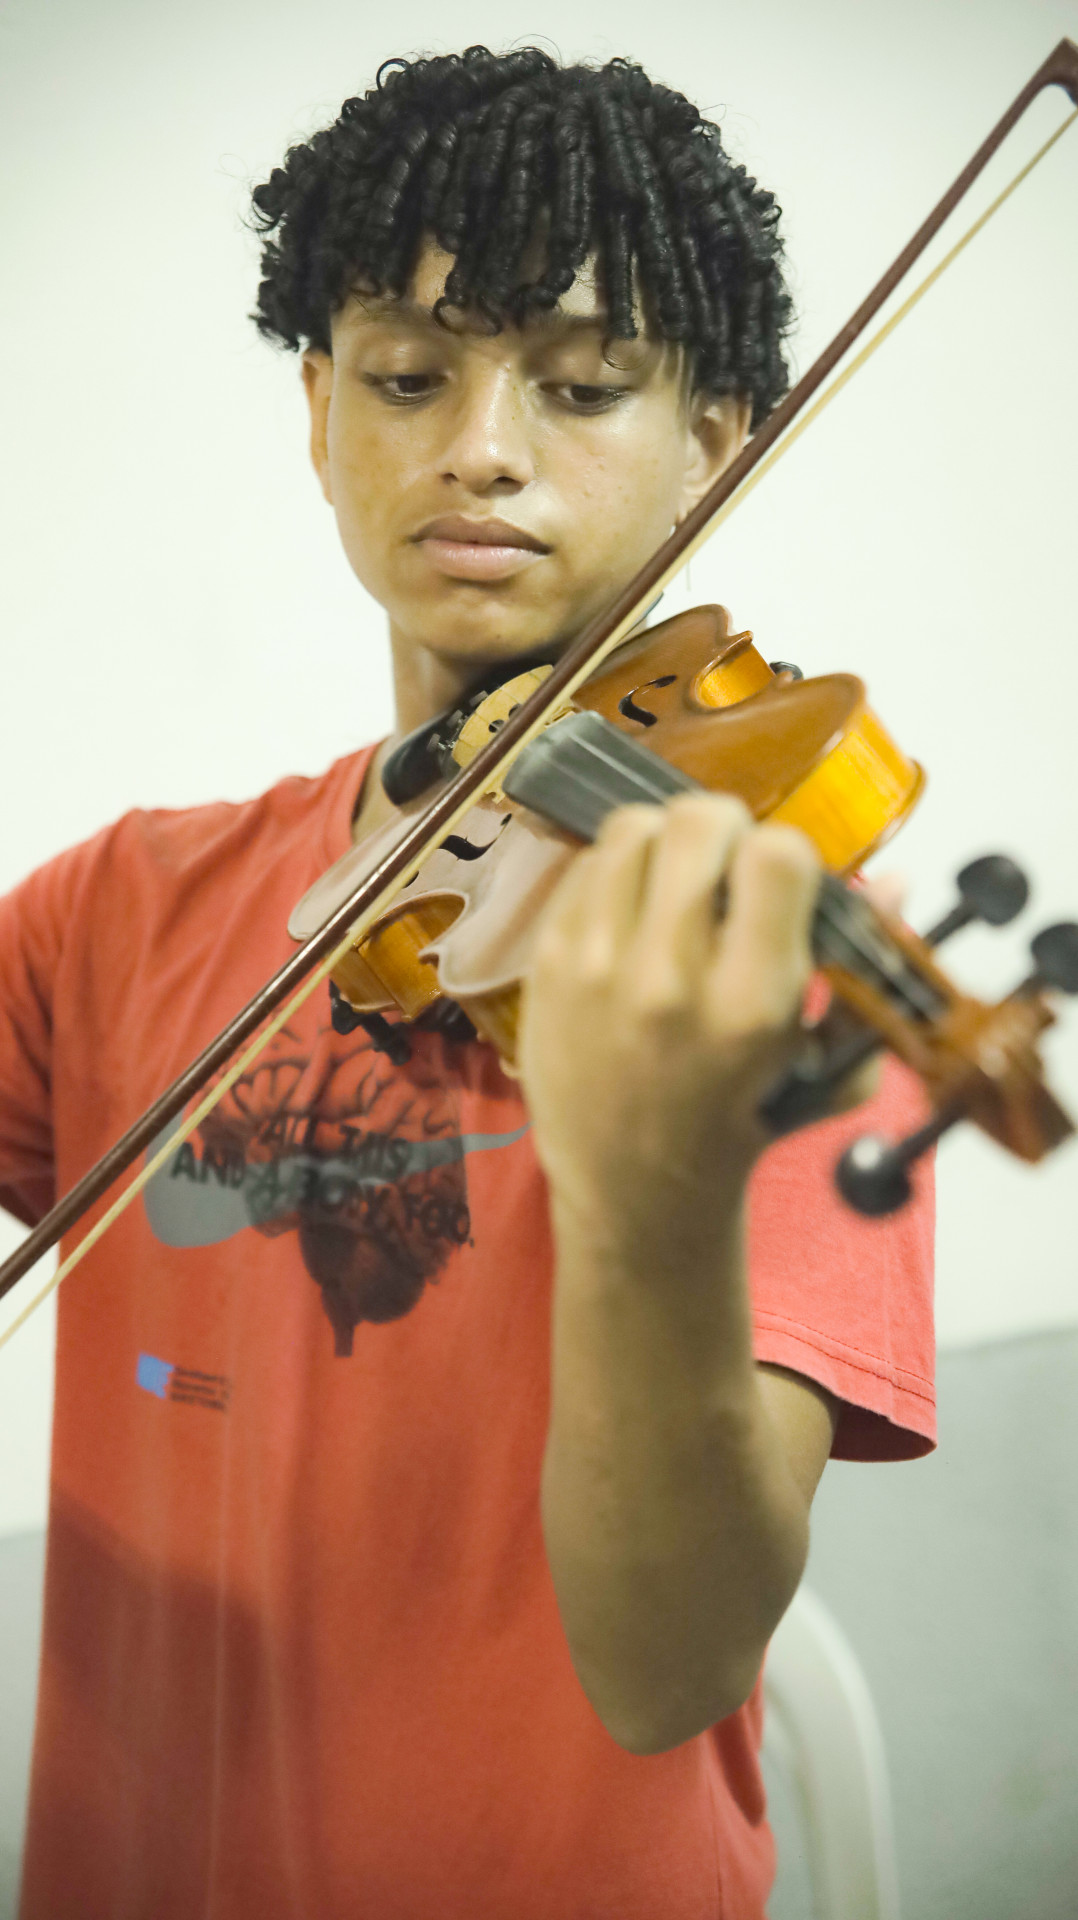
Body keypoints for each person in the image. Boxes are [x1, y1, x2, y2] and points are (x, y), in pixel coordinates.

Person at [0, 46, 934, 1920]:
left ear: (719, 437)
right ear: (319, 410)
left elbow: (668, 1667)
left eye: (584, 387)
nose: (481, 446)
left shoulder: (777, 951)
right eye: (409, 378)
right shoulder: (120, 908)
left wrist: (653, 1193)